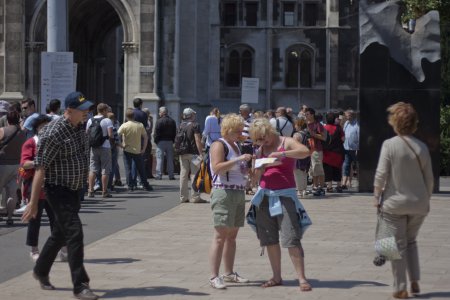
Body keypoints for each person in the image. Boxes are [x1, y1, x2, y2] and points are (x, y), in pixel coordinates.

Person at [22, 91, 99, 300]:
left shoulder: (79, 128)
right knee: (75, 233)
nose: (86, 113)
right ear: (69, 111)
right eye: (82, 110)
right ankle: (80, 285)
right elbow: (40, 168)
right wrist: (33, 203)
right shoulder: (53, 133)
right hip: (58, 190)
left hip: (75, 191)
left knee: (60, 234)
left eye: (88, 109)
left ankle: (40, 270)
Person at [373, 102, 433, 299]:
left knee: (394, 245)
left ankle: (400, 287)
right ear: (414, 123)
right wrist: (425, 199)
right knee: (411, 241)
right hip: (419, 204)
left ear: (394, 123)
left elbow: (381, 174)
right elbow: (429, 180)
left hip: (394, 204)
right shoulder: (421, 147)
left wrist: (376, 197)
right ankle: (414, 280)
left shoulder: (390, 145)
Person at [248, 117, 312, 292]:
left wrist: (282, 154)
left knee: (291, 237)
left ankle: (302, 278)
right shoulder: (260, 150)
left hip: (285, 195)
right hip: (264, 196)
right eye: (258, 139)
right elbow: (255, 180)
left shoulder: (286, 141)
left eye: (264, 137)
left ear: (270, 130)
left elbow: (305, 151)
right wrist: (256, 169)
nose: (262, 142)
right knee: (269, 239)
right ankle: (276, 276)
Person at [208, 113, 252, 289]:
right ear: (227, 130)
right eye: (237, 130)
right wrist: (239, 159)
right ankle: (213, 276)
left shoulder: (236, 145)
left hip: (238, 192)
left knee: (232, 237)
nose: (240, 133)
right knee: (220, 236)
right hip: (223, 192)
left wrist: (248, 170)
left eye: (241, 130)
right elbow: (217, 167)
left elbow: (237, 169)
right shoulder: (219, 144)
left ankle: (229, 273)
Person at [19, 115, 57, 261]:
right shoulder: (31, 143)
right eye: (43, 127)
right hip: (37, 188)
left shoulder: (54, 143)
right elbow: (25, 163)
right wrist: (39, 162)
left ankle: (61, 247)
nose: (46, 130)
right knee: (35, 219)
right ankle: (34, 249)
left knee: (57, 219)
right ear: (37, 129)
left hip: (54, 187)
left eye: (48, 127)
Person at [0, 109, 27, 225]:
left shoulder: (2, 130)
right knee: (12, 193)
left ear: (7, 120)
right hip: (17, 166)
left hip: (2, 165)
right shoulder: (22, 133)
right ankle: (10, 217)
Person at [118, 108, 153, 192]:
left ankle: (130, 186)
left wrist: (121, 145)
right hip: (137, 150)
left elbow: (116, 135)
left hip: (127, 149)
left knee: (128, 169)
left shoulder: (124, 125)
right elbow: (145, 137)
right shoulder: (140, 125)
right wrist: (143, 148)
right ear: (134, 116)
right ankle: (145, 185)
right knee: (141, 169)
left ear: (126, 117)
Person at [178, 108, 206, 203]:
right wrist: (201, 153)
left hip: (182, 153)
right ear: (191, 115)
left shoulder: (181, 125)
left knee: (183, 174)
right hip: (194, 154)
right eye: (194, 114)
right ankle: (195, 197)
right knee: (194, 174)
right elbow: (197, 140)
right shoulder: (195, 125)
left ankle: (183, 197)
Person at [86, 103, 114, 198]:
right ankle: (104, 191)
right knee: (105, 169)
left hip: (93, 147)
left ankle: (90, 190)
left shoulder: (90, 120)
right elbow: (110, 135)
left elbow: (87, 133)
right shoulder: (107, 120)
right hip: (105, 146)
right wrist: (111, 143)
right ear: (105, 110)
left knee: (93, 168)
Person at [304, 108, 326, 196]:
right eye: (305, 114)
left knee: (318, 169)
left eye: (307, 114)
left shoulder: (318, 125)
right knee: (312, 170)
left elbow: (323, 137)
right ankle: (314, 186)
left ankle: (320, 187)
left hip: (316, 149)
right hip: (307, 150)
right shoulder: (305, 124)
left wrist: (313, 134)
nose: (306, 116)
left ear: (312, 115)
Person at [323, 112, 344, 193]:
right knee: (337, 169)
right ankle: (339, 186)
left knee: (328, 170)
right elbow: (343, 139)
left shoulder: (324, 128)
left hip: (327, 153)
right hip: (338, 152)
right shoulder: (339, 128)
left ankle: (330, 187)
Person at [154, 106, 177, 180]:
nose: (159, 113)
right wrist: (172, 140)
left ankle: (158, 175)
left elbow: (156, 133)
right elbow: (174, 132)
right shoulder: (172, 121)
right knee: (170, 159)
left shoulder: (159, 121)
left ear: (162, 113)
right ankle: (171, 175)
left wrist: (156, 141)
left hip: (161, 141)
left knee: (159, 158)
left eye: (159, 112)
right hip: (170, 141)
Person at [293, 118, 311, 197]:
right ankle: (304, 190)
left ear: (299, 125)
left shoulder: (297, 135)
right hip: (307, 155)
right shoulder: (307, 133)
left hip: (298, 155)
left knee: (298, 173)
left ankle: (299, 191)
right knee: (304, 173)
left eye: (296, 124)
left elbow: (294, 146)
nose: (295, 126)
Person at [342, 109, 359, 189]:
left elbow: (359, 137)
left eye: (348, 116)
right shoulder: (346, 123)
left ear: (352, 115)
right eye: (346, 116)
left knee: (356, 165)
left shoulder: (357, 124)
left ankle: (358, 182)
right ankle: (344, 183)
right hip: (346, 147)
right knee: (346, 165)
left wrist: (358, 148)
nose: (347, 117)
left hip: (355, 149)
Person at [142, 107, 154, 179]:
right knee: (145, 157)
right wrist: (151, 122)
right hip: (145, 141)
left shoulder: (147, 120)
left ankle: (148, 173)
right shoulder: (144, 121)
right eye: (148, 113)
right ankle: (145, 173)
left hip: (148, 140)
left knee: (148, 157)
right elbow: (148, 131)